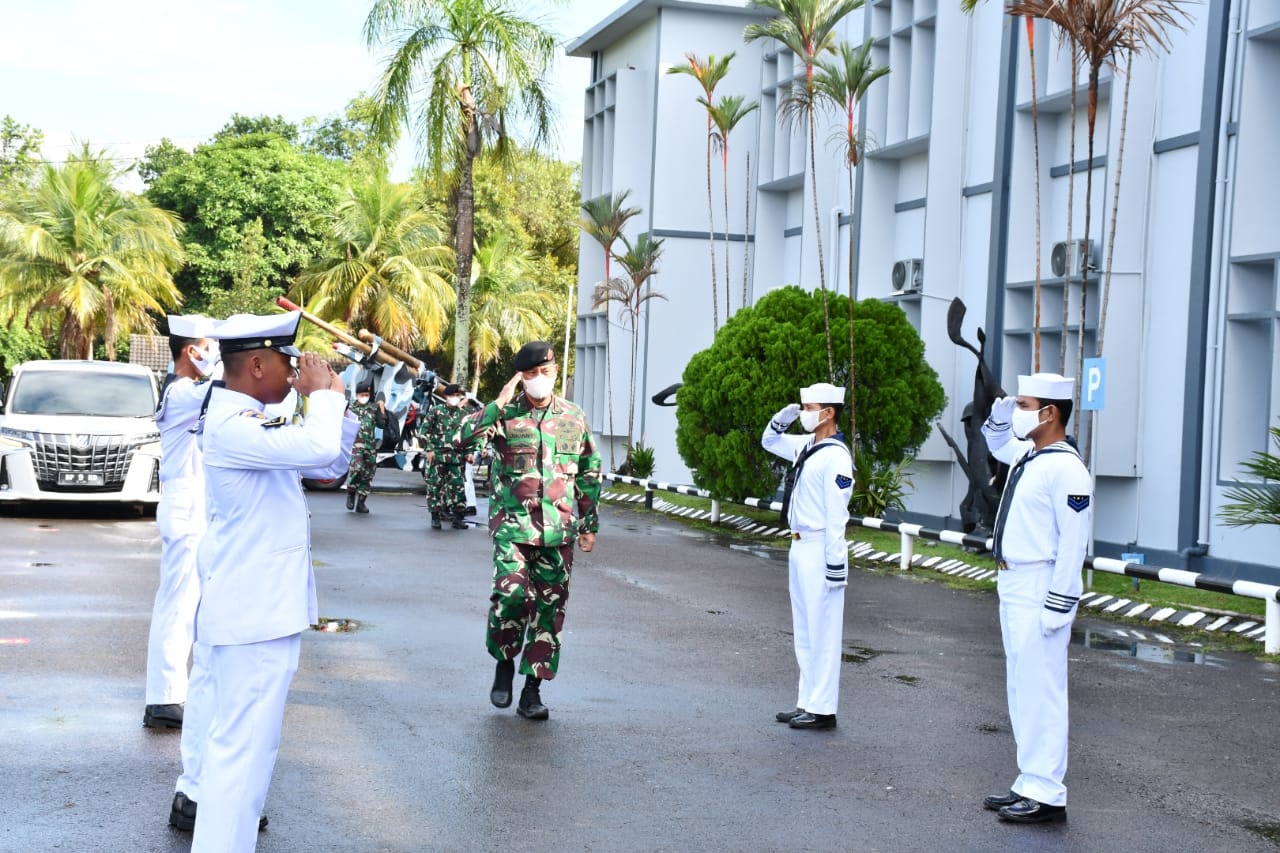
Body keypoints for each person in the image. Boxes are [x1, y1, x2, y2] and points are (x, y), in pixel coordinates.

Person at [182, 311, 357, 852]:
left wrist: (336, 396)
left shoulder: (256, 422)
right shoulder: (236, 426)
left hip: (261, 612)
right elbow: (319, 448)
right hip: (251, 616)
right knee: (239, 761)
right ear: (256, 364)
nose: (294, 371)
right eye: (287, 361)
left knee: (252, 757)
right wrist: (322, 394)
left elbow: (332, 466)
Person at [456, 341, 601, 721]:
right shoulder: (505, 415)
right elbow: (460, 442)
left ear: (555, 372)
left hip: (559, 531)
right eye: (531, 374)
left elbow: (589, 471)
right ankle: (504, 660)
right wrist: (496, 404)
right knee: (511, 599)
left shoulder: (573, 416)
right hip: (513, 528)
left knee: (550, 612)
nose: (539, 380)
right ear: (521, 377)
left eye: (545, 373)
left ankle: (531, 691)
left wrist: (589, 525)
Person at [980, 372, 1093, 824]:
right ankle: (1029, 781)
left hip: (1041, 585)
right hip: (1014, 584)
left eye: (1024, 405)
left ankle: (1048, 793)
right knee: (1021, 688)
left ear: (1050, 413)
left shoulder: (1067, 468)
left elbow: (1073, 543)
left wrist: (1061, 602)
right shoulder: (1030, 454)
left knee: (1042, 691)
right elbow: (996, 443)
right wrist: (999, 416)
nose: (1018, 411)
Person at [761, 383, 854, 731]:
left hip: (819, 549)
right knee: (805, 630)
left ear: (828, 413)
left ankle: (823, 708)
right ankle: (807, 700)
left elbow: (836, 517)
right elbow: (769, 442)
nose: (803, 413)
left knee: (823, 630)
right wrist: (781, 419)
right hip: (799, 546)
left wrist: (835, 566)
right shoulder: (807, 446)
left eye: (808, 407)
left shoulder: (836, 456)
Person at [144, 315, 218, 731]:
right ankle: (166, 699)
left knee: (185, 601)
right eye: (213, 348)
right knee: (179, 602)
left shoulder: (185, 390)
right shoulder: (184, 392)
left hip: (191, 505)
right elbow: (229, 388)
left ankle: (169, 694)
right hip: (186, 505)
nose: (218, 357)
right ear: (193, 352)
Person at [419, 382, 472, 530]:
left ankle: (458, 518)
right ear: (446, 396)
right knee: (435, 487)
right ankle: (435, 517)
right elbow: (423, 432)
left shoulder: (464, 414)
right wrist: (429, 449)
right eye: (452, 395)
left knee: (457, 488)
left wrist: (469, 453)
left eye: (457, 395)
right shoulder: (436, 411)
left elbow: (468, 436)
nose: (455, 398)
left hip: (456, 458)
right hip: (437, 456)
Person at [345, 379, 387, 514]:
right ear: (357, 395)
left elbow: (382, 424)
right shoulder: (350, 409)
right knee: (356, 469)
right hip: (356, 445)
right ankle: (351, 492)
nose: (364, 397)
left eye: (366, 394)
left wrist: (381, 409)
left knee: (368, 475)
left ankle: (361, 503)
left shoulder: (373, 409)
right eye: (362, 394)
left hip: (370, 446)